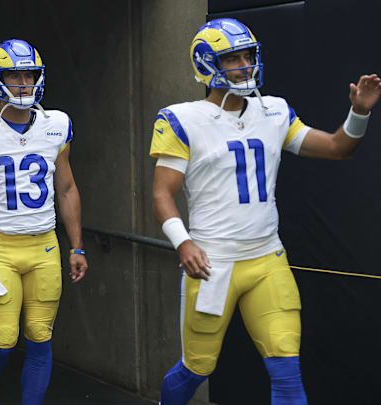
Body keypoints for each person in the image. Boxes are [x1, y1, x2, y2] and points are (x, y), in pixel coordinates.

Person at [151, 18, 381, 405]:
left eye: (248, 55)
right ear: (207, 65)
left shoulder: (273, 110)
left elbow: (338, 147)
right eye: (232, 58)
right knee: (196, 369)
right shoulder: (181, 118)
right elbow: (162, 194)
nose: (244, 65)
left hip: (267, 258)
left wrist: (359, 113)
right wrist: (183, 242)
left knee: (287, 374)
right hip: (213, 263)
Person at [0, 39, 88, 405]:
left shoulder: (56, 124)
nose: (23, 83)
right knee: (2, 341)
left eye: (29, 75)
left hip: (45, 243)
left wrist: (77, 245)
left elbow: (66, 187)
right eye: (14, 75)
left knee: (40, 336)